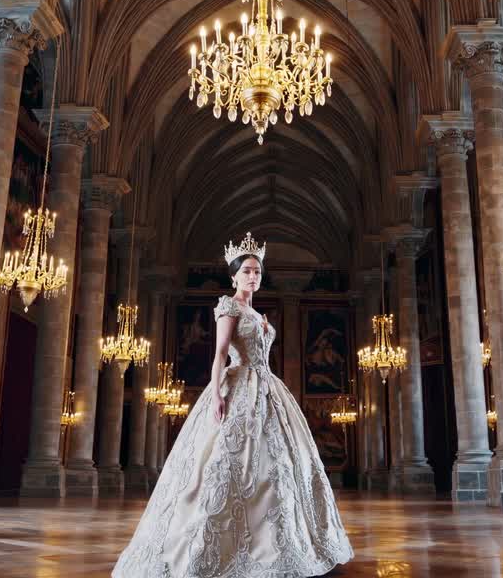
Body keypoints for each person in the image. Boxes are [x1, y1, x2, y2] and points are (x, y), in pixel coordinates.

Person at [113, 232, 353, 577]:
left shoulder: (258, 313)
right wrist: (216, 395)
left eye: (257, 271)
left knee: (278, 464)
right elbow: (220, 354)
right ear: (234, 275)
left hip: (268, 388)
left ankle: (279, 541)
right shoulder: (228, 306)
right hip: (238, 385)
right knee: (227, 462)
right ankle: (214, 544)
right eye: (247, 272)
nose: (253, 276)